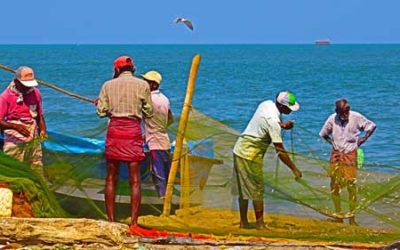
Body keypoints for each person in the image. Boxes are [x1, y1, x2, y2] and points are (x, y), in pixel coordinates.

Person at [232, 91, 302, 230]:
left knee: (243, 189)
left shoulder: (267, 104)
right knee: (257, 190)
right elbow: (280, 152)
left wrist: (282, 126)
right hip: (250, 155)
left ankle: (243, 222)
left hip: (239, 149)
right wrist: (295, 169)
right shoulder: (273, 122)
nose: (290, 111)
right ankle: (260, 224)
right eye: (289, 108)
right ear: (282, 107)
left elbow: (264, 122)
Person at [96, 56, 153, 226]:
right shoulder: (143, 85)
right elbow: (149, 112)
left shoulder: (107, 85)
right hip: (132, 130)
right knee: (135, 179)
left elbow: (101, 112)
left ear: (117, 70)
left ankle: (111, 220)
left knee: (111, 177)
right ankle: (134, 222)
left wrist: (106, 107)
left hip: (115, 130)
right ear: (132, 69)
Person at [320, 98, 376, 225]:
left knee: (351, 186)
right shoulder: (332, 119)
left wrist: (363, 139)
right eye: (341, 112)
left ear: (348, 109)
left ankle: (352, 218)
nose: (344, 115)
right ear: (337, 111)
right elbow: (324, 134)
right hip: (336, 155)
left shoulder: (356, 117)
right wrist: (333, 144)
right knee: (334, 186)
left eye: (346, 111)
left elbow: (371, 126)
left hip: (350, 154)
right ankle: (339, 216)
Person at [0, 66, 47, 177]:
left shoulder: (35, 93)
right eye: (25, 86)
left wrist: (43, 130)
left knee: (36, 164)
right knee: (14, 165)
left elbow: (39, 115)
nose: (28, 89)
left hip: (32, 132)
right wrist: (16, 127)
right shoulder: (5, 97)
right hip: (14, 134)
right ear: (17, 82)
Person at [141, 71, 174, 199]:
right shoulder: (165, 99)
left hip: (154, 141)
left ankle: (163, 197)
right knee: (166, 171)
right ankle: (166, 197)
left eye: (146, 82)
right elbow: (170, 119)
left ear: (153, 85)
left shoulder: (148, 100)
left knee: (158, 172)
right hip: (164, 140)